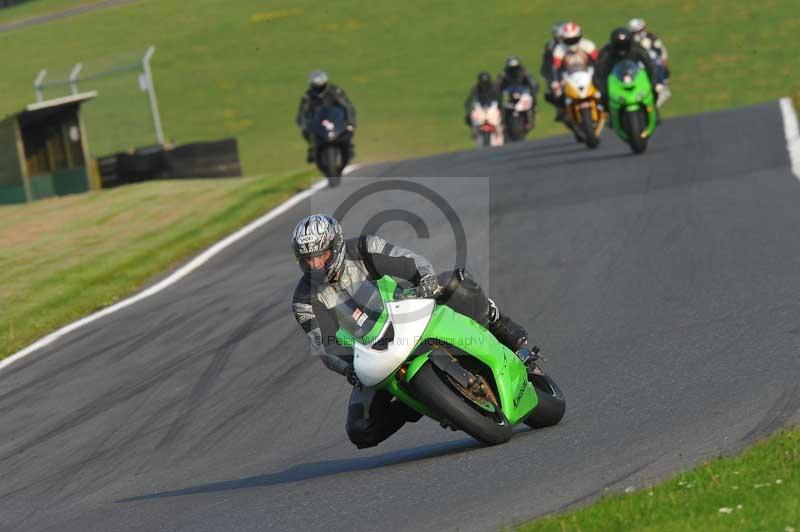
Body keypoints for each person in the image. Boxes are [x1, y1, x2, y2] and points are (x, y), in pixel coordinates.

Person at [290, 214, 532, 449]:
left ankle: (498, 324)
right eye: (307, 259)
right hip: (373, 354)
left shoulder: (363, 249)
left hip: (409, 311)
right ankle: (420, 402)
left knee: (454, 282)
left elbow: (407, 261)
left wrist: (425, 279)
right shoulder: (304, 300)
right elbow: (325, 344)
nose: (315, 265)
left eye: (321, 256)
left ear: (337, 245)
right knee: (360, 429)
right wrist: (348, 367)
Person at [295, 70, 356, 164]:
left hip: (336, 119)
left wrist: (350, 121)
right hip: (318, 122)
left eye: (321, 86)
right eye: (316, 86)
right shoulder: (308, 96)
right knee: (305, 130)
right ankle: (312, 148)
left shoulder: (335, 91)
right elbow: (302, 112)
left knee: (349, 127)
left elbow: (346, 106)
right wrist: (303, 124)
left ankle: (350, 145)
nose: (319, 89)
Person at [594, 27, 661, 110]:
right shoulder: (606, 52)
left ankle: (652, 109)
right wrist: (604, 90)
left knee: (654, 91)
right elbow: (598, 72)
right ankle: (611, 116)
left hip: (635, 77)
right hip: (616, 81)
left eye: (624, 45)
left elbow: (650, 65)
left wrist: (652, 83)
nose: (622, 49)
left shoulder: (637, 48)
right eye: (619, 46)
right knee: (603, 100)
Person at [549, 22, 598, 121]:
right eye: (569, 40)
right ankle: (563, 112)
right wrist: (555, 81)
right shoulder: (559, 49)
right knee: (557, 94)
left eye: (574, 39)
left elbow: (598, 59)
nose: (572, 43)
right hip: (569, 77)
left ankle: (605, 107)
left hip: (588, 74)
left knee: (602, 88)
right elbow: (555, 66)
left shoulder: (587, 45)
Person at [628, 18, 671, 107]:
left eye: (640, 30)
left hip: (652, 63)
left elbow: (662, 52)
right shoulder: (630, 43)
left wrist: (664, 64)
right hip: (638, 65)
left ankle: (662, 89)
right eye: (635, 32)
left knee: (657, 62)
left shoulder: (651, 38)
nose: (638, 34)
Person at [496, 56, 539, 129]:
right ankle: (503, 122)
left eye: (516, 68)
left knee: (531, 102)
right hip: (509, 94)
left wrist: (532, 90)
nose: (514, 71)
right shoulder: (504, 74)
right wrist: (498, 92)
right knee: (500, 105)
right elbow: (497, 85)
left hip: (523, 93)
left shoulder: (525, 73)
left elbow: (533, 83)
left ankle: (531, 119)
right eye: (512, 69)